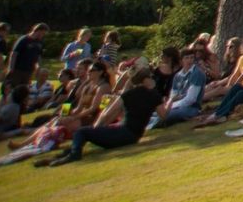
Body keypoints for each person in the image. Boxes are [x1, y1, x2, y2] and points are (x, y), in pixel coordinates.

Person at [34, 61, 162, 167]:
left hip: (91, 118)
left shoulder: (103, 87)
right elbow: (73, 104)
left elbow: (97, 109)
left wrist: (73, 117)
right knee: (52, 122)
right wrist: (65, 114)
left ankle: (68, 153)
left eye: (91, 70)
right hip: (93, 118)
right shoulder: (84, 86)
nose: (86, 72)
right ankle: (36, 146)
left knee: (76, 129)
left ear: (100, 72)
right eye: (86, 70)